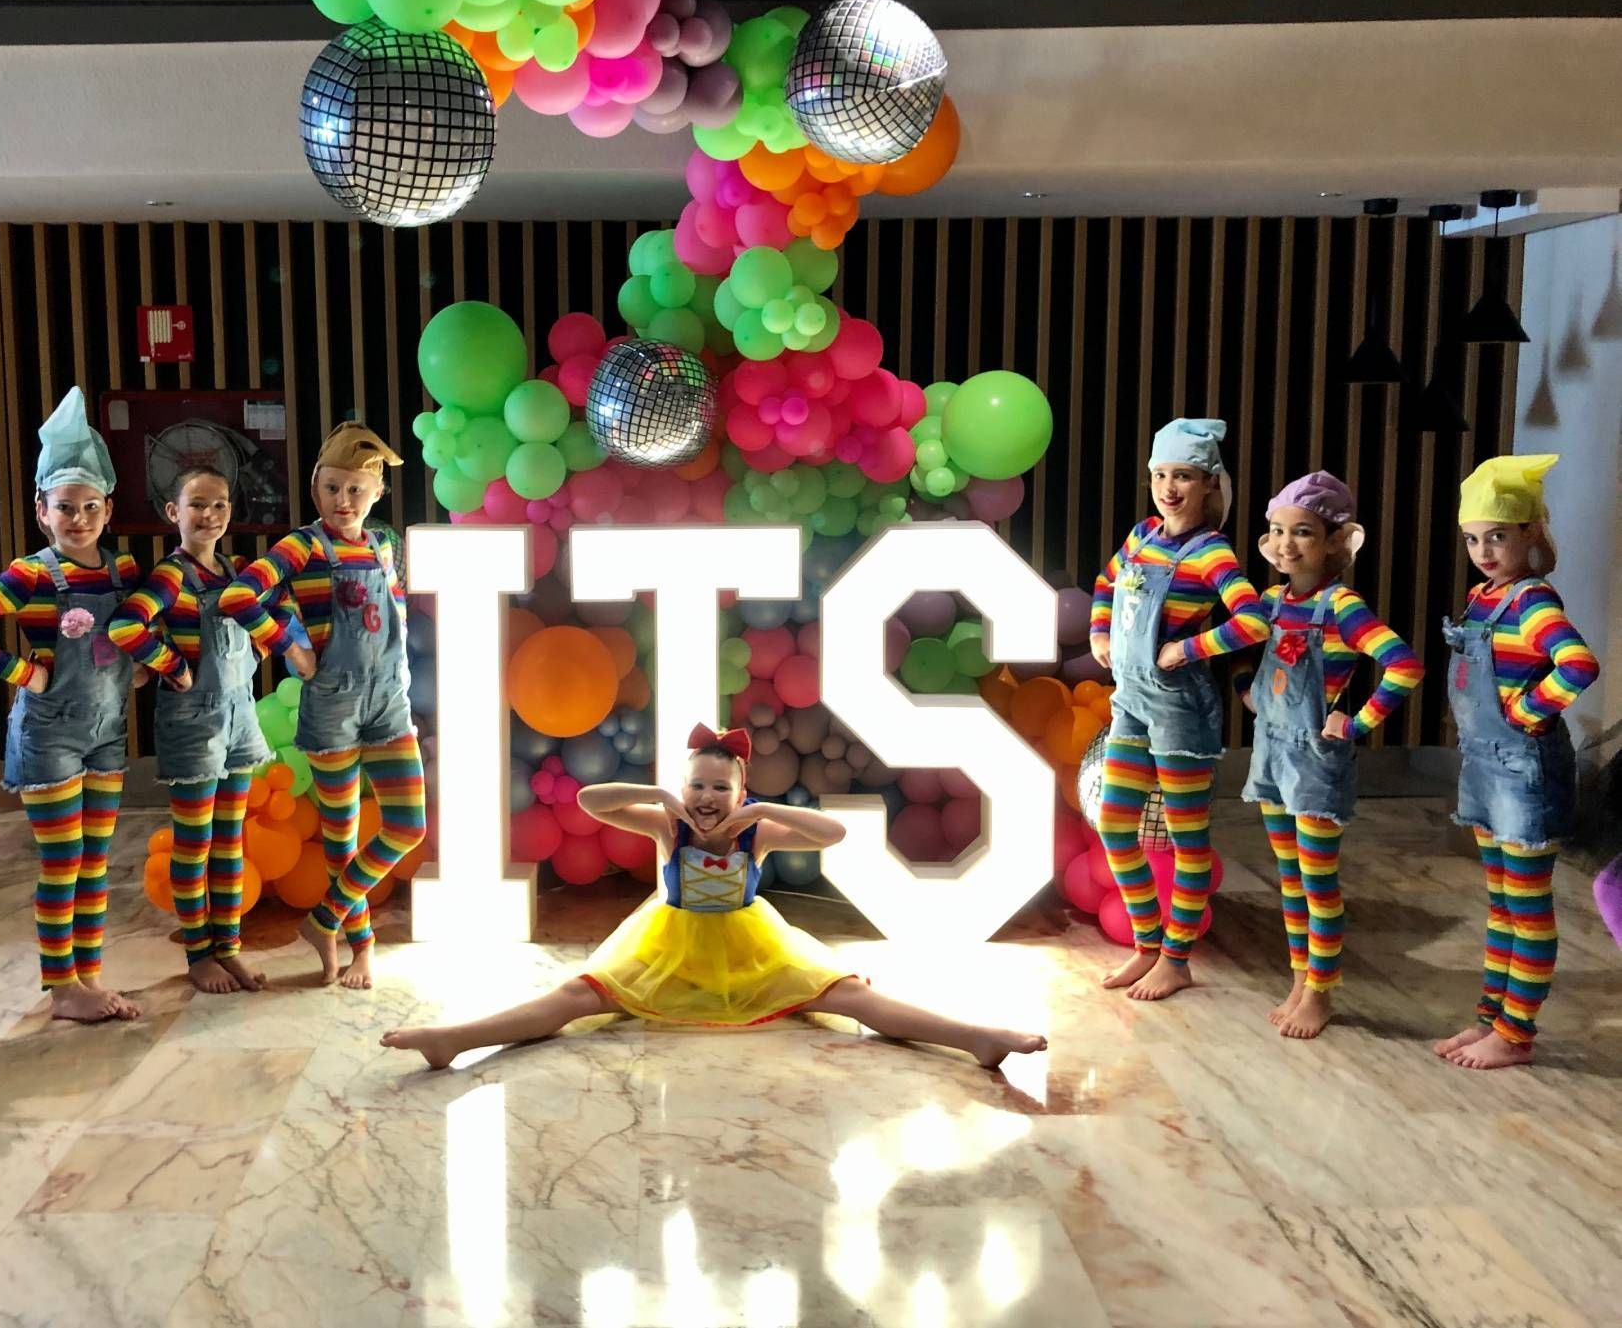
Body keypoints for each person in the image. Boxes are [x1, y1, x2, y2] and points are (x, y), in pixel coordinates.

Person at [380, 725, 1049, 1071]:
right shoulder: (666, 823)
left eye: (718, 789)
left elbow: (836, 831)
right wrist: (659, 797)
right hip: (666, 943)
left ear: (738, 792)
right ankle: (454, 1040)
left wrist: (755, 813)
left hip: (749, 944)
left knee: (851, 997)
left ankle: (976, 1038)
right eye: (696, 785)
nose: (705, 799)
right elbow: (589, 800)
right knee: (575, 999)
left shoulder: (752, 832)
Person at [0, 388, 144, 1023]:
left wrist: (140, 665)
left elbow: (145, 626)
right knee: (62, 860)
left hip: (108, 733)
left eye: (88, 507)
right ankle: (62, 989)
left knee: (95, 860)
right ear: (41, 511)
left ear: (107, 509)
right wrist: (22, 670)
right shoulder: (30, 574)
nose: (77, 518)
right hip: (49, 735)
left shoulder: (123, 571)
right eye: (64, 508)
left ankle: (87, 973)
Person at [219, 420, 424, 989]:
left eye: (356, 489)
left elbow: (395, 614)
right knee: (342, 835)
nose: (343, 500)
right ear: (316, 486)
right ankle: (357, 947)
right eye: (332, 487)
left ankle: (324, 919)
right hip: (332, 706)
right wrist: (290, 644)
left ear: (377, 493)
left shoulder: (384, 543)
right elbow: (240, 594)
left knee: (407, 825)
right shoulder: (303, 544)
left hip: (388, 701)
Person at [1089, 417, 1269, 1000]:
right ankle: (1147, 943)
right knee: (1117, 822)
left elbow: (1251, 620)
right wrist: (1099, 633)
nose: (1169, 488)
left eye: (1184, 476)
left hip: (1180, 709)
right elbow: (1103, 582)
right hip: (1130, 701)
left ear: (1209, 483)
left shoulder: (1211, 551)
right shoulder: (1141, 535)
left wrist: (1187, 648)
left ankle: (1178, 957)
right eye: (1161, 475)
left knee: (1188, 840)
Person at [1239, 472, 1423, 1038]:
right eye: (1277, 531)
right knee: (1289, 879)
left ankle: (1321, 990)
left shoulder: (1341, 606)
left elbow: (1405, 665)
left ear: (1333, 542)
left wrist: (1359, 721)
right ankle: (1300, 978)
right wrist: (1252, 694)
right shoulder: (1270, 601)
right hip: (1270, 752)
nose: (1288, 544)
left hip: (1315, 760)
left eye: (1303, 532)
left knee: (1318, 881)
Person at [1436, 454, 1599, 1069]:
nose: (1483, 550)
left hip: (1525, 772)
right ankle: (1489, 1020)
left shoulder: (1531, 600)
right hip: (1484, 765)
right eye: (1474, 538)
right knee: (1501, 902)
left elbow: (1578, 664)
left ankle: (1517, 1033)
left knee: (1527, 906)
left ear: (1530, 533)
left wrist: (1531, 710)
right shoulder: (1483, 597)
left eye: (1497, 536)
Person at [109, 465, 273, 994]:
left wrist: (264, 647)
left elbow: (265, 618)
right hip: (191, 722)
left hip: (240, 716)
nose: (210, 514)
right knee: (195, 842)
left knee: (231, 841)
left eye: (220, 504)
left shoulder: (235, 570)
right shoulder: (171, 575)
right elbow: (126, 624)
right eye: (197, 504)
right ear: (172, 513)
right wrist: (173, 666)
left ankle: (229, 948)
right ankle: (199, 955)